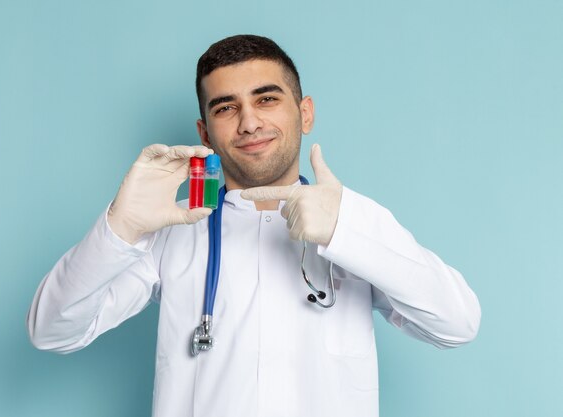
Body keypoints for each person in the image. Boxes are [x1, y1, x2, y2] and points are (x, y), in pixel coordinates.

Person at [27, 34, 481, 417]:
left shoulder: (358, 218)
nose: (249, 122)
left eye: (266, 98)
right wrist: (120, 226)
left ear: (304, 113)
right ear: (205, 133)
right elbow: (52, 331)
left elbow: (456, 325)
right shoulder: (171, 226)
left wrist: (344, 235)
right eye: (226, 108)